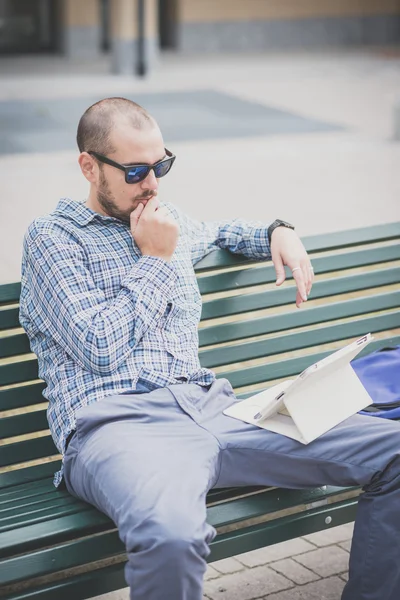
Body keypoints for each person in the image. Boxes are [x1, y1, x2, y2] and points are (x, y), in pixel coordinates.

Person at [20, 97, 400, 600]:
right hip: (118, 427)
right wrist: (155, 261)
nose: (152, 184)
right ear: (89, 167)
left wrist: (276, 230)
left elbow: (219, 231)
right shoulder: (54, 240)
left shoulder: (162, 218)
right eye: (136, 171)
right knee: (172, 538)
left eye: (162, 165)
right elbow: (98, 347)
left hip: (214, 409)